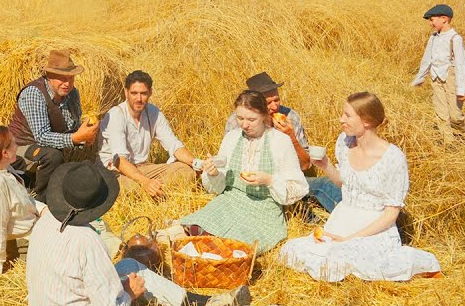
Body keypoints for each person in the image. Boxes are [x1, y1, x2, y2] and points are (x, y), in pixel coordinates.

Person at [26, 161, 288, 306]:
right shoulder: (86, 241)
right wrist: (129, 294)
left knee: (128, 266)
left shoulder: (47, 219)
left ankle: (206, 303)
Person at [279, 92, 441, 282]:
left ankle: (414, 263)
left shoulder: (393, 158)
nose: (341, 120)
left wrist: (353, 238)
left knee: (335, 261)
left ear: (366, 121)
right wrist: (325, 165)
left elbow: (390, 214)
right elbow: (345, 184)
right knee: (290, 250)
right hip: (343, 218)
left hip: (374, 228)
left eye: (347, 115)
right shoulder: (344, 142)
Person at [178, 90, 308, 253]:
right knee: (198, 228)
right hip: (230, 200)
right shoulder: (232, 138)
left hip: (263, 209)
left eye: (251, 119)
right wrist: (213, 174)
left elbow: (297, 186)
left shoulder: (280, 142)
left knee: (235, 246)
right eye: (240, 118)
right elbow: (220, 187)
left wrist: (269, 180)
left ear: (264, 115)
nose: (244, 125)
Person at [230, 71, 341, 212]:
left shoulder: (290, 117)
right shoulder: (238, 122)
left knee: (325, 184)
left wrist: (291, 137)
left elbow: (306, 165)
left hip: (287, 182)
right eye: (268, 102)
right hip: (254, 185)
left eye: (277, 100)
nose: (275, 106)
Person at [8, 49, 99, 203]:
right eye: (61, 78)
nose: (67, 83)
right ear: (49, 76)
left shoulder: (73, 94)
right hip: (19, 148)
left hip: (44, 149)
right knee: (52, 156)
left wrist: (85, 136)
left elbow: (74, 126)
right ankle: (41, 200)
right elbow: (41, 137)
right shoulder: (34, 93)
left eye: (70, 78)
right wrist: (76, 138)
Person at [97, 70, 199, 200]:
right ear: (126, 92)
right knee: (128, 188)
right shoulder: (117, 115)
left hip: (143, 168)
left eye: (143, 93)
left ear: (150, 93)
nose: (138, 99)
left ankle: (154, 192)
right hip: (115, 172)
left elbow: (174, 145)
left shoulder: (153, 112)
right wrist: (145, 182)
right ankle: (157, 192)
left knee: (186, 171)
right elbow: (119, 161)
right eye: (134, 93)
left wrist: (196, 163)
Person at [0, 126, 44, 279]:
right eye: (13, 144)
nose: (17, 146)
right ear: (4, 153)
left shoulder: (5, 169)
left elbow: (22, 199)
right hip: (24, 240)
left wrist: (43, 210)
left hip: (35, 226)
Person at [410, 4, 465, 143]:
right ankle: (448, 142)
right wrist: (420, 77)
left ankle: (463, 134)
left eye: (432, 20)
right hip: (435, 77)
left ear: (444, 19)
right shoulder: (433, 38)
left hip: (451, 77)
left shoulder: (455, 38)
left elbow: (461, 64)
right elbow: (427, 59)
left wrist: (462, 89)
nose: (430, 23)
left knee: (455, 115)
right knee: (441, 113)